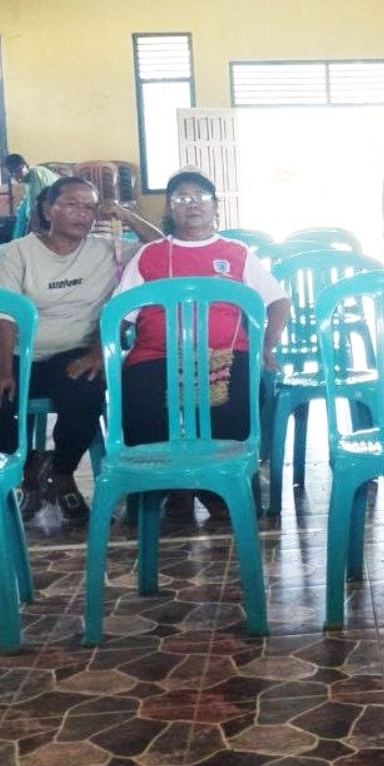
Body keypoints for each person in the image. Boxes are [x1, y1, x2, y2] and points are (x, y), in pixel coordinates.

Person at [114, 170, 290, 522]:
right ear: (169, 207)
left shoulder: (237, 253)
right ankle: (173, 486)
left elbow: (278, 301)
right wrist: (99, 350)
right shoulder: (150, 255)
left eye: (201, 197)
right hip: (157, 355)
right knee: (139, 395)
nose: (192, 204)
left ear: (215, 207)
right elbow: (120, 312)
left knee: (240, 395)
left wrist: (266, 347)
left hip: (225, 353)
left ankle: (216, 486)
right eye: (181, 198)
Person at [0, 177, 129, 527]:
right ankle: (26, 467)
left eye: (90, 207)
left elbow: (164, 249)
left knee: (87, 390)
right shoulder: (18, 252)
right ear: (49, 210)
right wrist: (3, 367)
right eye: (73, 204)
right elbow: (4, 314)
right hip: (21, 354)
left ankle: (62, 472)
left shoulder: (109, 249)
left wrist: (125, 215)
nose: (83, 214)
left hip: (74, 351)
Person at [4, 153, 60, 240]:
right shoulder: (30, 181)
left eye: (17, 171)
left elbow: (34, 211)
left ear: (25, 166)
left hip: (56, 219)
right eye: (12, 174)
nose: (15, 176)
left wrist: (28, 239)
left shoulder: (36, 174)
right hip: (50, 218)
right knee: (21, 209)